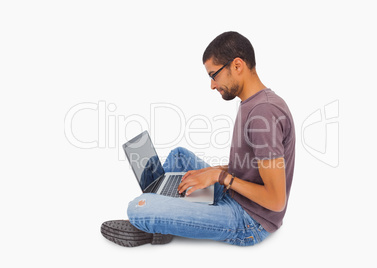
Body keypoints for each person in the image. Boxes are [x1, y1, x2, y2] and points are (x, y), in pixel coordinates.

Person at [101, 31, 295, 247]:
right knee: (179, 156)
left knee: (137, 208)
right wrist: (214, 172)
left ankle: (161, 218)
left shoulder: (263, 113)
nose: (212, 85)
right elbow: (253, 165)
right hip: (237, 194)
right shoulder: (255, 102)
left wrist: (220, 177)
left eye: (214, 75)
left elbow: (276, 201)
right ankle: (169, 208)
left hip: (249, 219)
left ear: (237, 66)